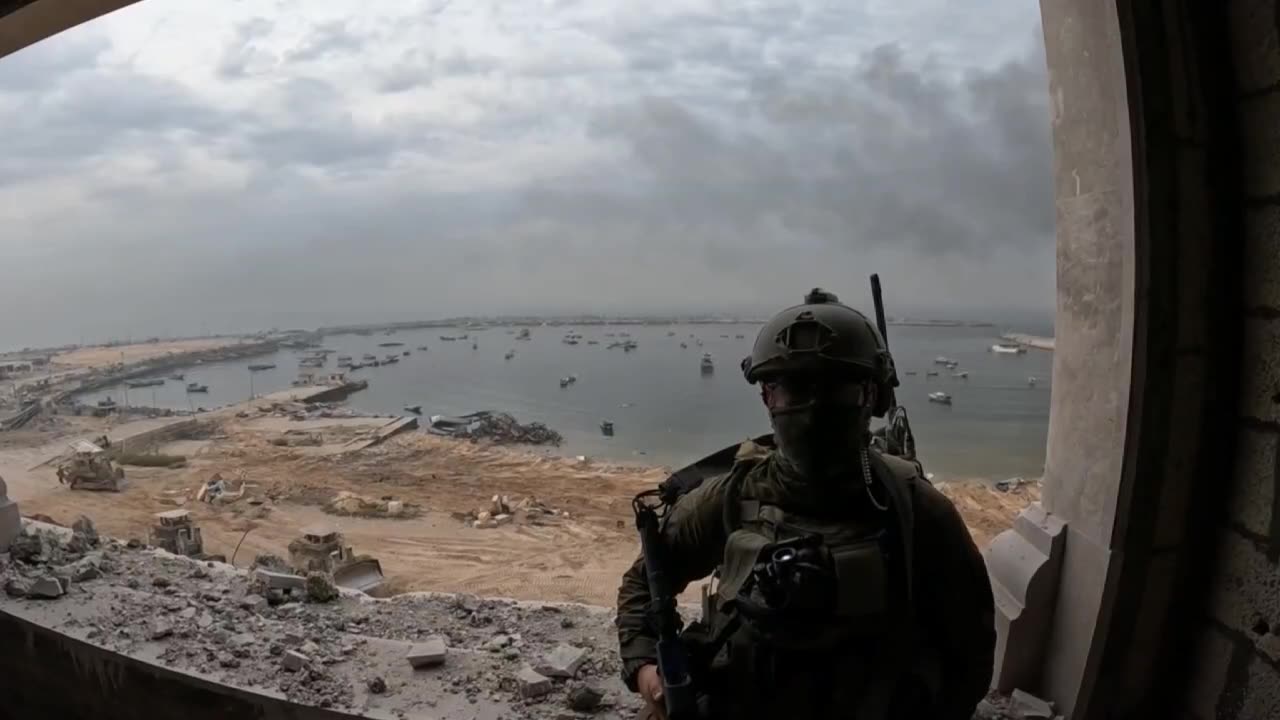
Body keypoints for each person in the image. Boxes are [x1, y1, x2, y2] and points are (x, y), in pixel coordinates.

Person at [615, 288, 995, 720]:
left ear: (873, 397)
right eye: (794, 389)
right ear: (767, 398)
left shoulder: (914, 511)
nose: (813, 410)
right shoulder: (736, 494)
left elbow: (969, 649)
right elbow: (647, 582)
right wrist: (649, 668)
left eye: (837, 390)